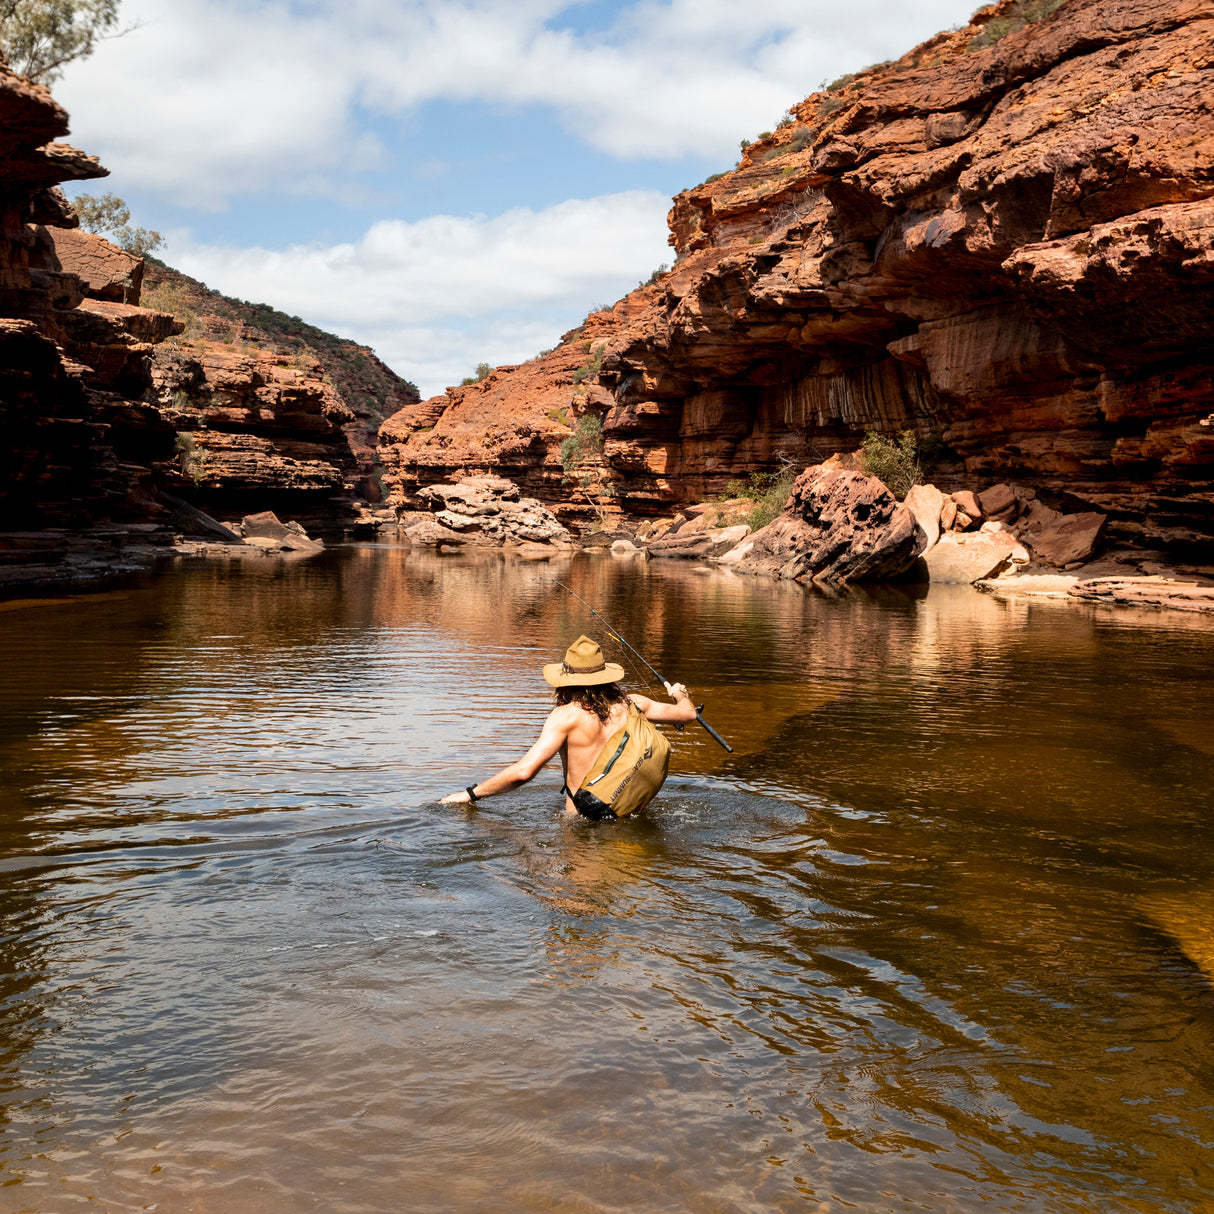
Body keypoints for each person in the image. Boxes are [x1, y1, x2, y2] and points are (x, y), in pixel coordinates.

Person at [439, 634, 697, 818]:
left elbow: (524, 772)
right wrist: (678, 692)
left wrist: (469, 795)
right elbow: (688, 714)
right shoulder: (633, 704)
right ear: (605, 675)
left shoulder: (565, 717)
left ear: (565, 681)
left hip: (582, 822)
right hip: (627, 812)